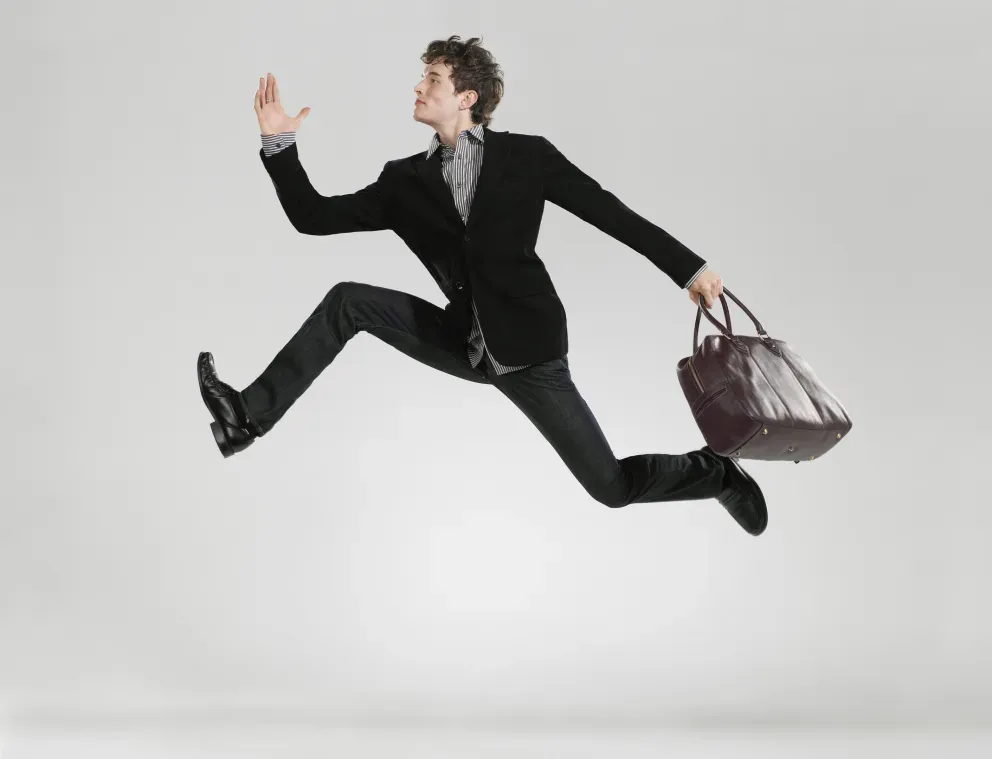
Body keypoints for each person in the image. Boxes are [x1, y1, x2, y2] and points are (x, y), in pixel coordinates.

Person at [197, 35, 767, 536]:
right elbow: (313, 216)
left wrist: (690, 269)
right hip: (463, 340)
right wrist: (279, 146)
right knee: (349, 301)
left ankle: (714, 473)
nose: (418, 86)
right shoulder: (403, 181)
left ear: (467, 97)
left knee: (610, 486)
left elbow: (611, 214)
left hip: (530, 349)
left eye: (433, 78)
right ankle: (246, 416)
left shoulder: (528, 157)